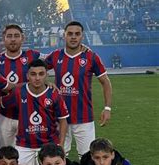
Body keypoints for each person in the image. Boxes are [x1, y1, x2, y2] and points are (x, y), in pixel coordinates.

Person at [45, 21, 112, 157]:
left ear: (82, 36)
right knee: (58, 157)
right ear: (64, 36)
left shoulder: (91, 57)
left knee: (88, 157)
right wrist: (46, 82)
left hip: (84, 117)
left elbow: (105, 82)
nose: (73, 37)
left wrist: (107, 108)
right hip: (59, 116)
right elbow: (35, 69)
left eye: (77, 34)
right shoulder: (56, 55)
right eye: (70, 34)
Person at [1, 59, 69, 165]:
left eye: (41, 74)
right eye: (33, 74)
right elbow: (1, 102)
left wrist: (61, 145)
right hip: (24, 144)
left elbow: (63, 120)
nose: (37, 78)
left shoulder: (54, 93)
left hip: (49, 143)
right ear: (27, 76)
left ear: (46, 75)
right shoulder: (18, 91)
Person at [0, 24, 44, 148]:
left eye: (16, 36)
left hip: (28, 115)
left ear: (22, 38)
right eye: (9, 36)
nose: (13, 39)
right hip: (3, 115)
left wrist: (47, 82)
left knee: (29, 154)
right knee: (4, 154)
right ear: (4, 38)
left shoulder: (32, 56)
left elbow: (54, 61)